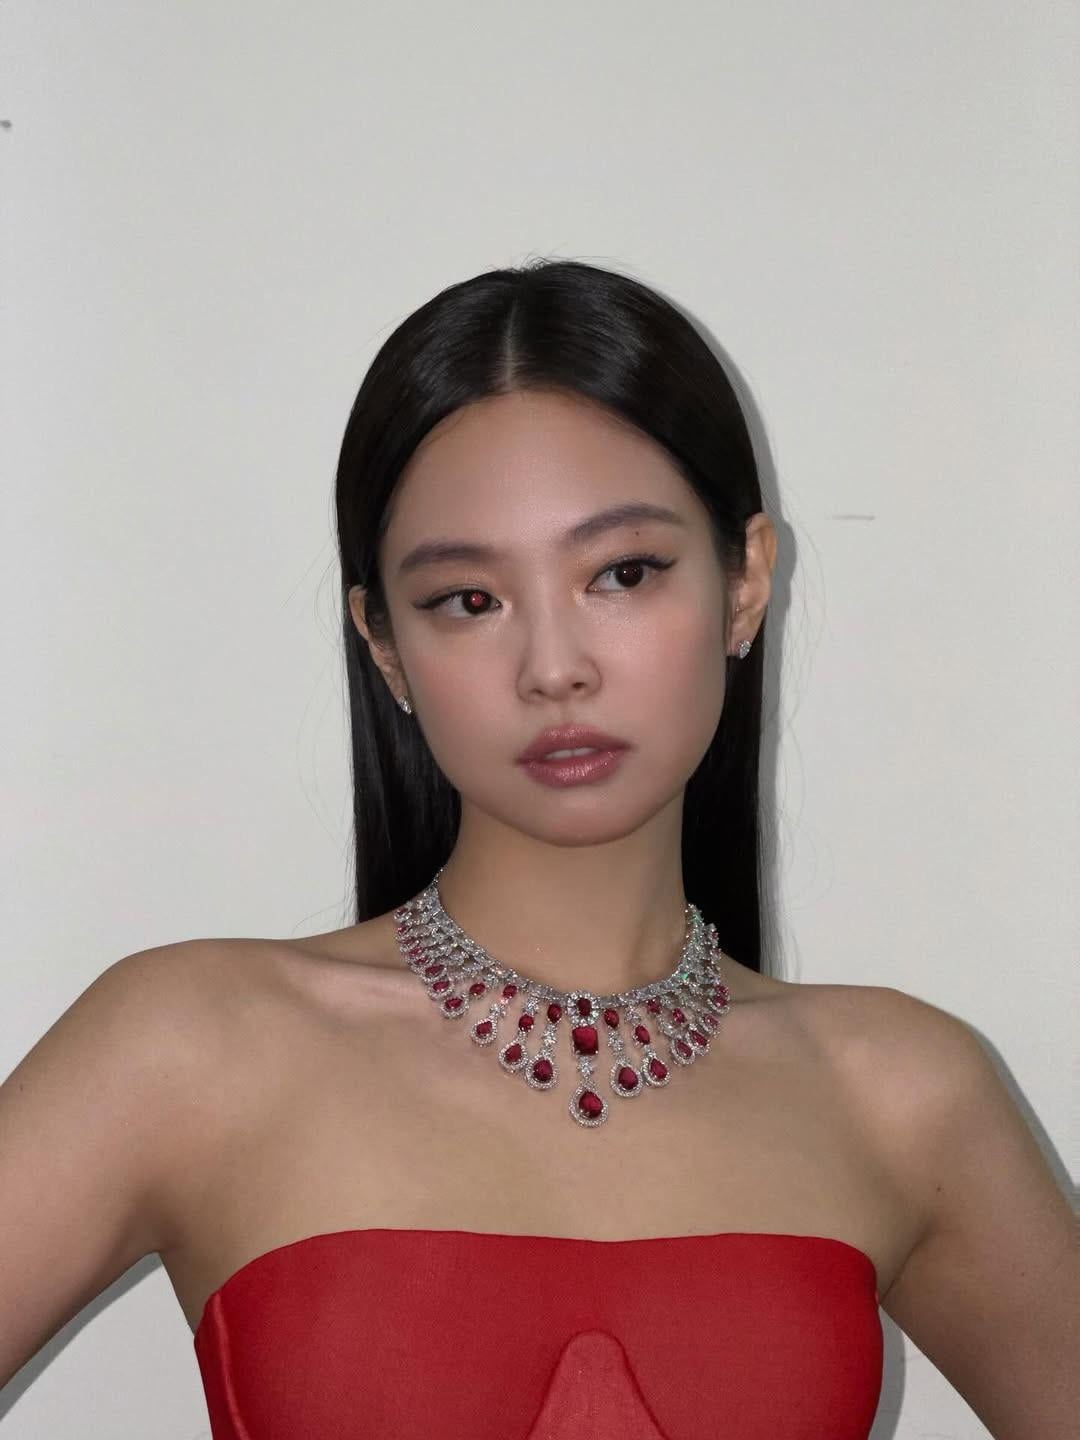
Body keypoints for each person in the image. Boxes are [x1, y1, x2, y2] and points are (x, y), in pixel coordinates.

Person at [0, 259, 1074, 1438]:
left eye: (623, 573)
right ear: (384, 644)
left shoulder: (903, 1097)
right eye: (469, 599)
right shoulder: (189, 1048)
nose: (554, 668)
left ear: (746, 581)